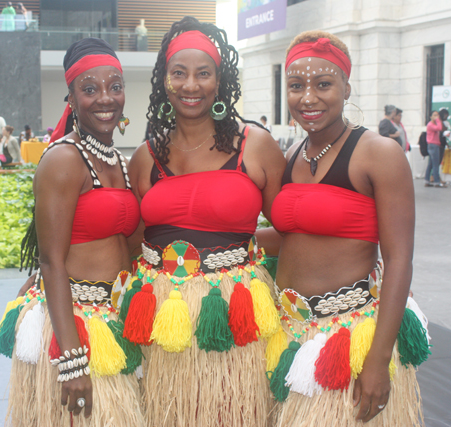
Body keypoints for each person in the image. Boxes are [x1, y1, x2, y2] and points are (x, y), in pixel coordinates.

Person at [128, 16, 285, 427]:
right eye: (178, 73)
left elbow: (290, 228)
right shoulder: (145, 157)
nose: (190, 85)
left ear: (220, 81)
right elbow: (131, 239)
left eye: (203, 74)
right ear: (164, 81)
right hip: (164, 314)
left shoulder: (255, 145)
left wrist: (236, 256)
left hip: (234, 311)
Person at [264, 31, 427, 426]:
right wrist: (215, 239)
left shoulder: (378, 152)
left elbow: (399, 259)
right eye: (296, 85)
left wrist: (378, 359)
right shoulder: (290, 155)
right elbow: (293, 235)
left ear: (346, 87)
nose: (309, 97)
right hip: (289, 333)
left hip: (351, 337)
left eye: (323, 84)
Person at [0, 38, 144, 426]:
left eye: (115, 86)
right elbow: (51, 260)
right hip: (74, 323)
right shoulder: (64, 159)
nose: (105, 98)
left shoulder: (120, 161)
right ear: (72, 98)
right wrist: (72, 362)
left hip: (112, 319)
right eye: (90, 89)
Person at [425, 110, 445, 187]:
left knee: (430, 164)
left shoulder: (433, 124)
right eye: (434, 115)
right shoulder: (430, 124)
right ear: (431, 116)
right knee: (435, 164)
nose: (436, 116)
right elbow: (439, 128)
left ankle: (427, 181)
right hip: (433, 145)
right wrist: (437, 120)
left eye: (437, 115)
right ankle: (436, 182)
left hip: (433, 145)